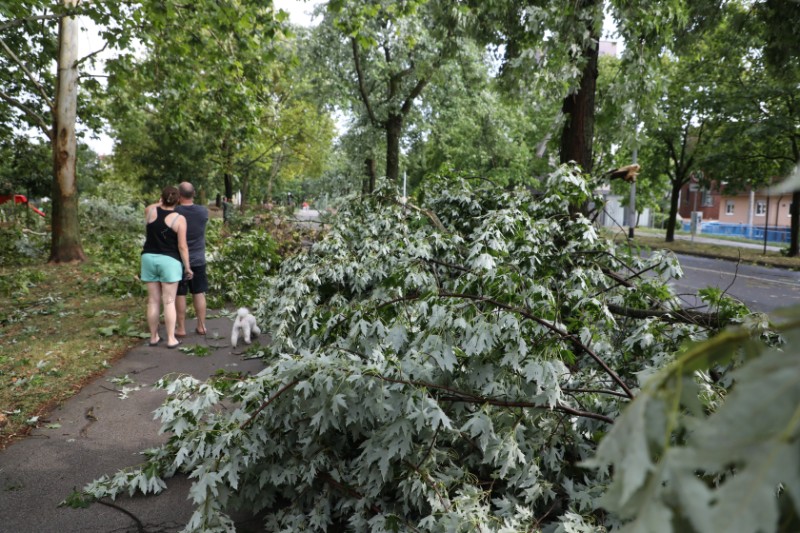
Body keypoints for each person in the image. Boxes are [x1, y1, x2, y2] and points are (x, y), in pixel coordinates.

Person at [140, 185, 193, 349]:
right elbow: (182, 246)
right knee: (169, 301)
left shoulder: (150, 211)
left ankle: (153, 337)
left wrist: (161, 203)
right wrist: (188, 267)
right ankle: (171, 339)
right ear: (178, 201)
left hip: (148, 259)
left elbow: (153, 206)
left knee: (153, 301)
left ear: (161, 198)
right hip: (169, 261)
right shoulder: (179, 219)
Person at [174, 181, 209, 337]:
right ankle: (201, 326)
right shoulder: (203, 211)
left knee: (179, 294)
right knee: (199, 292)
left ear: (179, 195)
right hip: (198, 258)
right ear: (193, 193)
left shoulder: (174, 212)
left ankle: (181, 329)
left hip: (178, 258)